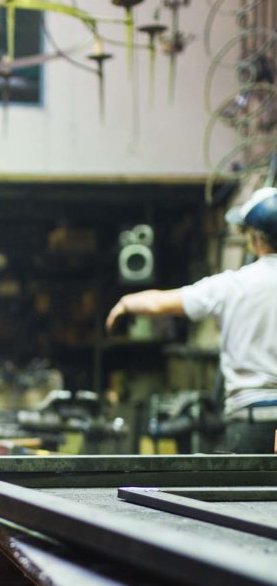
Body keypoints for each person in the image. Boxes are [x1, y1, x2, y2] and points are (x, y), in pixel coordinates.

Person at [106, 187, 277, 453]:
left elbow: (161, 303)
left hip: (251, 421)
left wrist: (125, 303)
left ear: (255, 238)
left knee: (250, 495)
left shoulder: (232, 285)